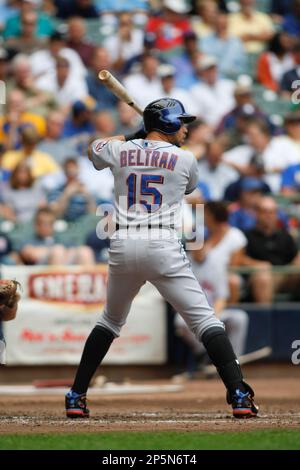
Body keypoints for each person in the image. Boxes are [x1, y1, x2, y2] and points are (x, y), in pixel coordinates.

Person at [65, 98, 258, 419]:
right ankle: (238, 392)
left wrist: (130, 137)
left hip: (123, 242)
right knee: (205, 320)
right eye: (180, 122)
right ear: (166, 123)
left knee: (110, 321)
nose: (186, 128)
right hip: (163, 244)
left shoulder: (119, 150)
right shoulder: (186, 159)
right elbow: (187, 186)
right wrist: (145, 140)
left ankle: (76, 395)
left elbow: (93, 149)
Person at [240, 197, 300, 303]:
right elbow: (238, 259)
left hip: (284, 276)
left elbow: (294, 259)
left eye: (272, 212)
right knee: (263, 278)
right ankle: (265, 318)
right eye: (264, 212)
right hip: (257, 276)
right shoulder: (246, 236)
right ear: (256, 213)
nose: (268, 216)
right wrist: (256, 264)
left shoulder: (285, 236)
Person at [20, 207, 95, 266]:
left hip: (66, 269)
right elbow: (30, 254)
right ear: (36, 225)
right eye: (43, 223)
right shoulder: (29, 240)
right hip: (42, 275)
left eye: (50, 223)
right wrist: (52, 251)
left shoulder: (60, 238)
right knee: (58, 251)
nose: (47, 227)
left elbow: (74, 250)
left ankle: (90, 285)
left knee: (85, 251)